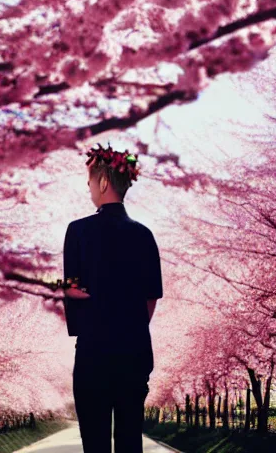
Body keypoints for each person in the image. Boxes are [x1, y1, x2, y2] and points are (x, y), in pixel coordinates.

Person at [62, 142, 163, 453]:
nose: (90, 188)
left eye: (91, 181)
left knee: (95, 443)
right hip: (134, 353)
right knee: (130, 442)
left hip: (94, 352)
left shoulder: (78, 231)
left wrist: (91, 316)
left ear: (103, 182)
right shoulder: (144, 235)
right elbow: (151, 298)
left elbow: (72, 289)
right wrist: (128, 324)